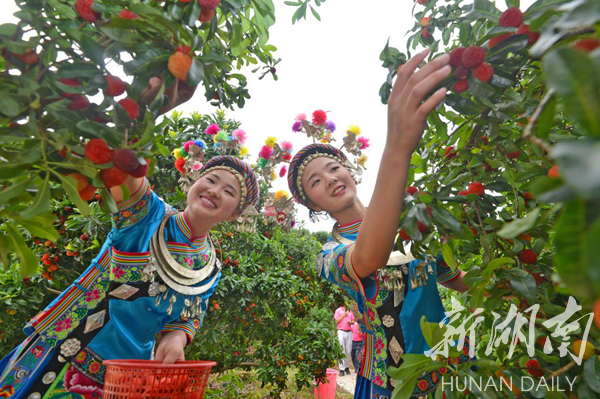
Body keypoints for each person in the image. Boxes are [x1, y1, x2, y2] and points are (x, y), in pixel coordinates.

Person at [287, 50, 472, 398]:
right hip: (389, 385)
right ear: (312, 205)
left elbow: (454, 278)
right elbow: (369, 257)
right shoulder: (331, 254)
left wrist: (508, 283)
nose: (328, 178)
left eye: (332, 167)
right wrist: (398, 149)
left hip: (448, 370)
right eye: (315, 182)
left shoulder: (411, 219)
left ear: (348, 169)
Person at [0, 153, 259, 399]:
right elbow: (123, 169)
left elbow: (189, 315)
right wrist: (132, 126)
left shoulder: (211, 268)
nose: (214, 191)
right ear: (194, 182)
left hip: (127, 377)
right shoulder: (147, 214)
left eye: (228, 192)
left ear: (235, 214)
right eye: (211, 180)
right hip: (66, 349)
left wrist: (177, 336)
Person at [334, 303, 354, 376]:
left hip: (349, 332)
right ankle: (341, 369)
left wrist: (351, 322)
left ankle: (346, 367)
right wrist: (344, 314)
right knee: (341, 350)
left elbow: (353, 322)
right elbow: (337, 321)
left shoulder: (350, 311)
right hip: (341, 331)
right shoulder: (338, 310)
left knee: (348, 351)